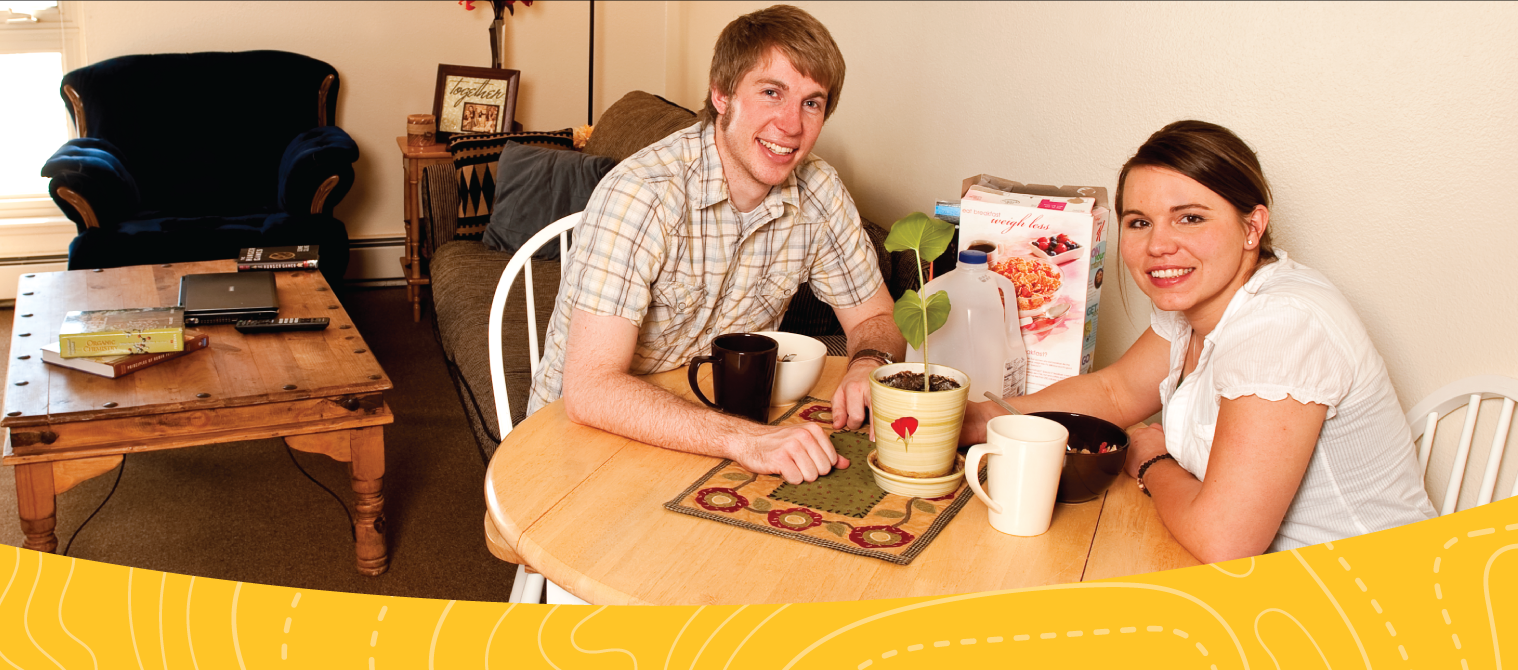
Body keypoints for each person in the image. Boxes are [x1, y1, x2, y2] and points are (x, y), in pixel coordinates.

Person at [959, 120, 1434, 561]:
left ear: (1252, 227)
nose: (1158, 245)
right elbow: (1116, 392)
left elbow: (1224, 538)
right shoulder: (1197, 303)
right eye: (1140, 222)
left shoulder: (1281, 325)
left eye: (1189, 218)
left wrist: (1152, 461)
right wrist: (982, 420)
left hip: (1366, 594)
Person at [528, 5, 905, 484]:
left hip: (707, 428)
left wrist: (867, 364)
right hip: (585, 438)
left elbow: (875, 317)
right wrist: (744, 439)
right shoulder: (643, 193)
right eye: (772, 93)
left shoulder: (820, 193)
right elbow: (590, 389)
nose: (791, 125)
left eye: (812, 102)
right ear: (722, 95)